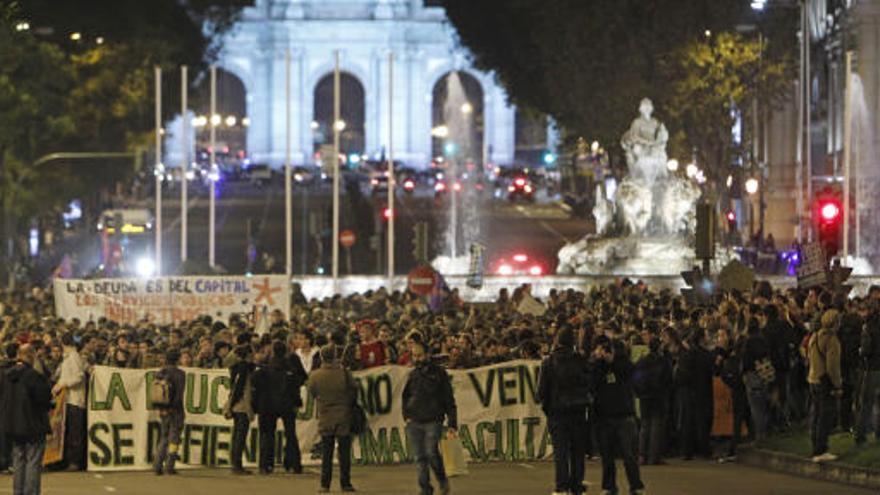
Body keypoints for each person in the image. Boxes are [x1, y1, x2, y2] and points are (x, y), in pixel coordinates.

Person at [537, 327, 592, 495]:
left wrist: (547, 405)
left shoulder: (549, 362)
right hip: (578, 411)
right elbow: (589, 383)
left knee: (560, 452)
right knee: (577, 451)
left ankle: (561, 487)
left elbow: (540, 391)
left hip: (557, 412)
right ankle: (577, 486)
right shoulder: (581, 360)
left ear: (558, 341)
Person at [401, 330, 457, 495]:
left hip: (434, 419)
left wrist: (452, 423)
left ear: (427, 355)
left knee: (432, 453)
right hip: (414, 421)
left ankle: (441, 480)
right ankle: (425, 489)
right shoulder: (413, 374)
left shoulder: (440, 373)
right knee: (419, 458)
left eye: (419, 355)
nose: (416, 359)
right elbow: (406, 396)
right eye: (414, 356)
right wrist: (407, 416)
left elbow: (449, 399)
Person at [592, 335, 645, 495]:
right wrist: (600, 361)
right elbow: (592, 383)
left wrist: (612, 360)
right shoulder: (597, 365)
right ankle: (609, 486)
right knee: (607, 456)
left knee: (629, 456)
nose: (604, 351)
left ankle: (636, 486)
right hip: (604, 416)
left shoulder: (624, 364)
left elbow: (634, 375)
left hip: (624, 415)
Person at [0, 344, 53, 495]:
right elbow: (44, 397)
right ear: (31, 355)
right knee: (33, 463)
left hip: (12, 426)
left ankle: (18, 492)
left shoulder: (5, 375)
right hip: (32, 426)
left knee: (18, 462)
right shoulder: (33, 376)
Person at [308, 344, 357, 493]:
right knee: (344, 453)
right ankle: (345, 483)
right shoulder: (344, 373)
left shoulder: (315, 376)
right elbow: (354, 391)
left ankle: (325, 484)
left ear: (322, 357)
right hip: (343, 415)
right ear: (335, 355)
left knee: (327, 453)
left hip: (325, 416)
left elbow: (312, 393)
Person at [253, 340, 307, 475]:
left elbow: (255, 382)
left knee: (267, 435)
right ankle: (294, 464)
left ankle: (266, 465)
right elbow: (301, 381)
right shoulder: (291, 368)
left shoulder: (264, 368)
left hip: (267, 405)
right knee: (290, 434)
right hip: (287, 404)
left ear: (272, 351)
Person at [808, 310, 843, 463]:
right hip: (825, 381)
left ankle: (815, 445)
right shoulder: (831, 340)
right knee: (825, 416)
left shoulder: (814, 336)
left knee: (816, 415)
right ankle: (821, 449)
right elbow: (833, 366)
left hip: (813, 378)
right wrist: (837, 384)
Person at [633, 336, 672, 465]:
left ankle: (641, 455)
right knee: (656, 426)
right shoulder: (663, 362)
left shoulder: (642, 361)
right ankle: (653, 457)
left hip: (644, 396)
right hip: (658, 396)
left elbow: (635, 378)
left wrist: (639, 392)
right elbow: (668, 379)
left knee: (644, 425)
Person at [53, 333, 87, 471]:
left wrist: (64, 384)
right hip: (67, 400)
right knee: (67, 432)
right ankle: (67, 460)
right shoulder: (67, 358)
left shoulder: (74, 357)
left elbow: (79, 377)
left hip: (75, 400)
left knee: (75, 433)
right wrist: (58, 386)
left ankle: (75, 461)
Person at [153, 349, 186, 475]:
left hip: (163, 409)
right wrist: (174, 407)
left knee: (164, 436)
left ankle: (157, 465)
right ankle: (170, 465)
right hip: (176, 410)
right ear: (177, 359)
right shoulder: (180, 374)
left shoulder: (160, 372)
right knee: (174, 439)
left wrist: (163, 408)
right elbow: (179, 394)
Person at [227, 344, 256, 475]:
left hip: (237, 406)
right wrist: (231, 405)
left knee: (236, 435)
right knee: (240, 436)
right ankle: (237, 465)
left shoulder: (235, 369)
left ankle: (235, 462)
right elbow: (239, 389)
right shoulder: (244, 369)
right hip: (242, 406)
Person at [856, 310, 880, 446]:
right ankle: (878, 432)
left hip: (872, 369)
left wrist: (860, 351)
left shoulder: (868, 330)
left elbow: (865, 350)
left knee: (866, 404)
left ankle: (861, 435)